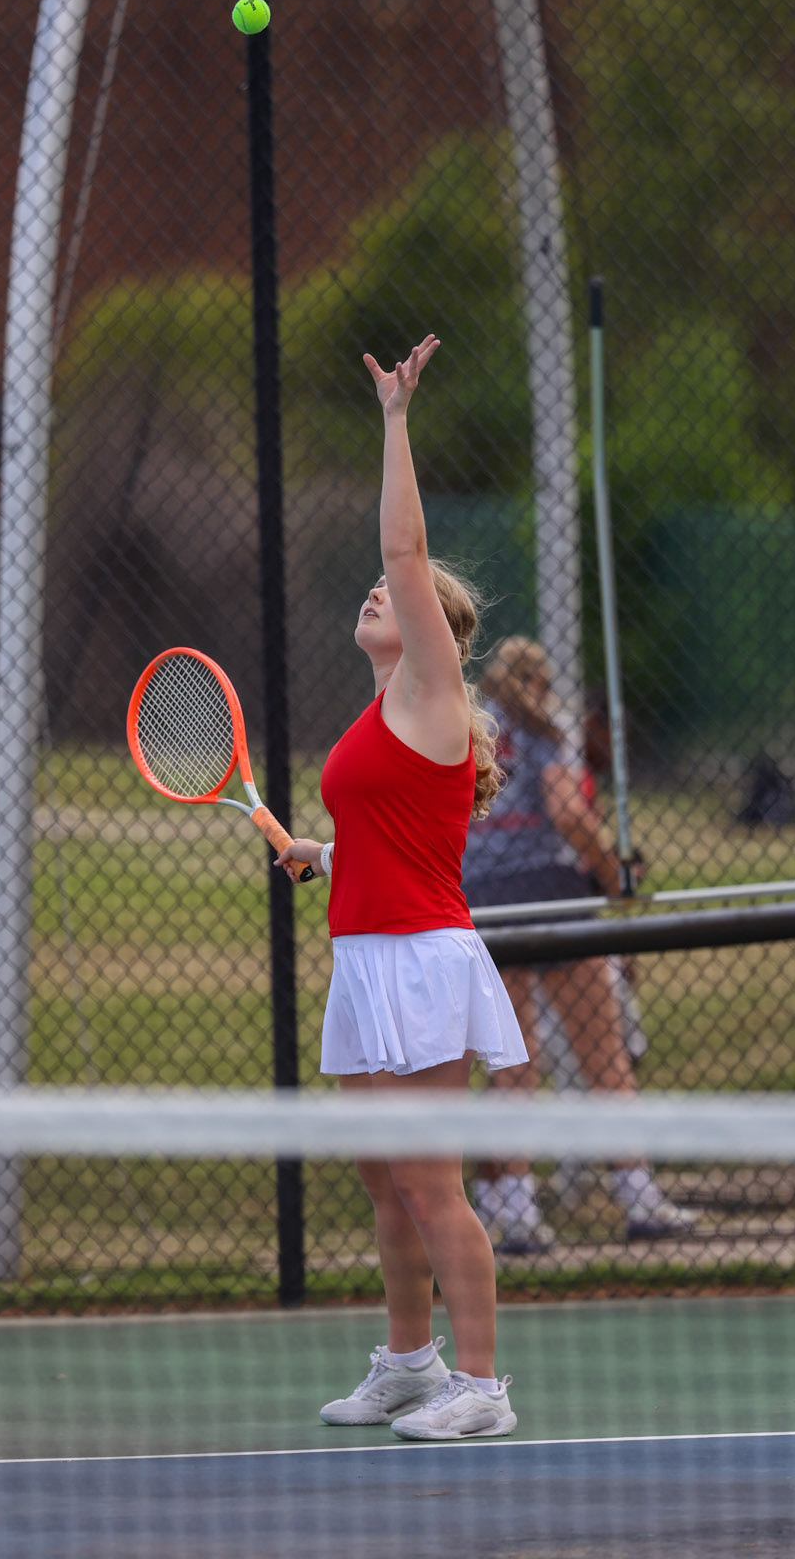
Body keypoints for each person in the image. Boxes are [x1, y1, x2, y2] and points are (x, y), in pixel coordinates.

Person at [275, 335, 525, 1442]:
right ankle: (409, 1361)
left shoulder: (431, 687)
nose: (381, 587)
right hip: (363, 948)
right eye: (377, 590)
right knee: (384, 1181)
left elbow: (405, 542)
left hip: (422, 959)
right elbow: (390, 843)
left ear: (435, 633)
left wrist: (392, 417)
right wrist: (318, 856)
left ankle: (484, 1385)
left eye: (400, 590)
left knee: (432, 1182)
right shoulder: (377, 719)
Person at [461, 635, 696, 1252]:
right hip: (554, 893)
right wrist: (614, 873)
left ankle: (513, 1211)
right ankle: (639, 1197)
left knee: (516, 1059)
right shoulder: (552, 728)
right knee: (603, 1050)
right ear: (542, 683)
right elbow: (567, 813)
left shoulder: (470, 731)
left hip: (481, 898)